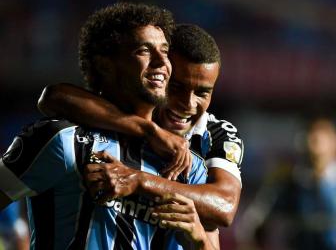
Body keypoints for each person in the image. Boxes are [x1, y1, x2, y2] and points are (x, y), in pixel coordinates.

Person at [0, 2, 217, 249]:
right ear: (105, 65)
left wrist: (198, 238)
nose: (161, 62)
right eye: (143, 51)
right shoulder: (61, 139)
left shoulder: (188, 164)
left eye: (165, 51)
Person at [37, 23, 243, 229]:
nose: (188, 103)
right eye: (177, 87)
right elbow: (54, 98)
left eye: (202, 93)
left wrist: (139, 180)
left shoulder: (217, 133)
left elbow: (224, 207)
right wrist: (149, 130)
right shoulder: (133, 105)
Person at [238, 117, 336, 250]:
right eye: (311, 134)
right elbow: (250, 226)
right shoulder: (285, 184)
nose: (315, 140)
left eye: (323, 134)